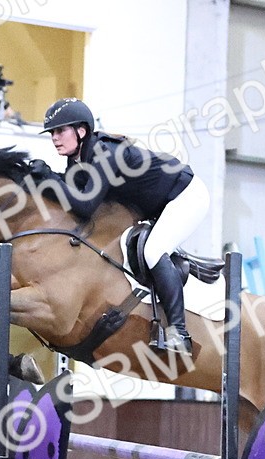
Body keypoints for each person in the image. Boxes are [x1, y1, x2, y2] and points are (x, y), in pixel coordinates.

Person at [38, 97, 209, 354]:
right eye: (52, 132)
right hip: (159, 205)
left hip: (185, 195)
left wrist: (48, 178)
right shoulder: (79, 158)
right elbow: (72, 192)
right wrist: (45, 178)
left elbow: (84, 206)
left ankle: (179, 333)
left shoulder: (105, 154)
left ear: (81, 131)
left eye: (61, 130)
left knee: (153, 250)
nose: (55, 137)